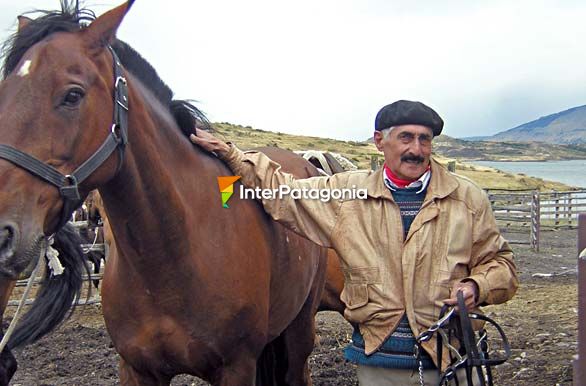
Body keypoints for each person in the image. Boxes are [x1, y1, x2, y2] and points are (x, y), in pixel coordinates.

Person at [190, 100, 518, 385]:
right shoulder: (348, 195)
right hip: (380, 367)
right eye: (405, 137)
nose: (416, 150)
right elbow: (284, 193)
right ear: (379, 141)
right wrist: (232, 155)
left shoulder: (466, 199)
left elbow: (502, 266)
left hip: (451, 359)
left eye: (424, 140)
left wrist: (477, 286)